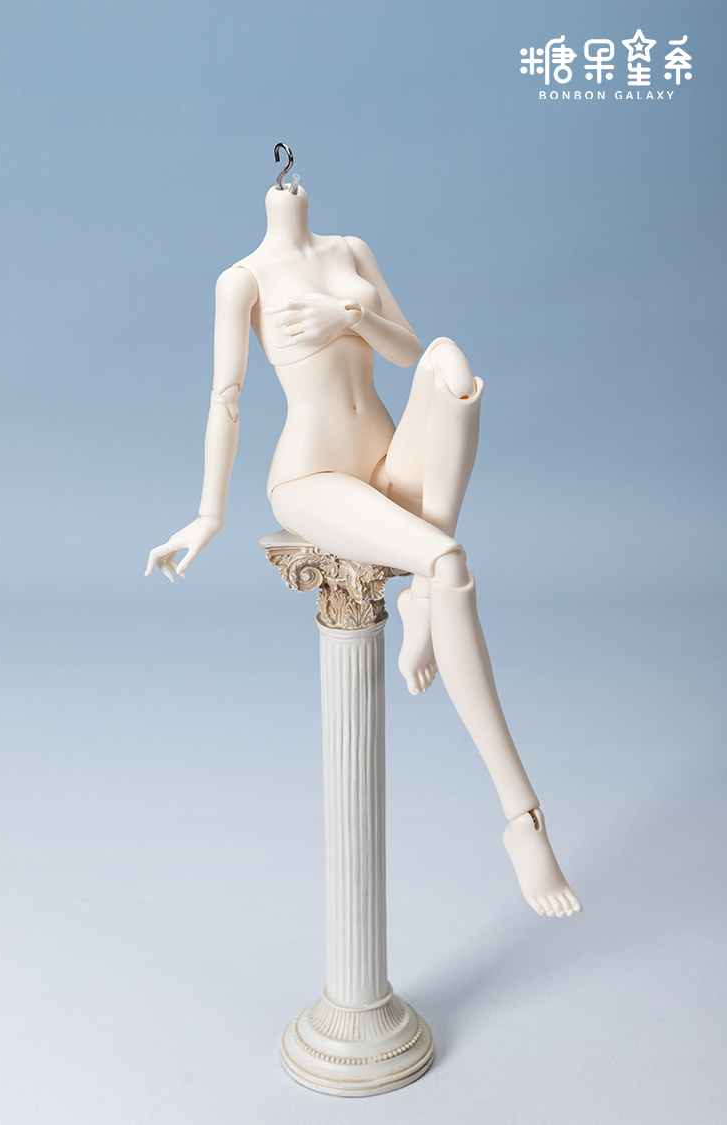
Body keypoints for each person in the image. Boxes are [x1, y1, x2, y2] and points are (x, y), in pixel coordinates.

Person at [146, 181, 581, 918]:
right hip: (312, 476)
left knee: (449, 360)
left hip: (382, 459)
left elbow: (407, 352)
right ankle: (523, 816)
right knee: (447, 557)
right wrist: (207, 514)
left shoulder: (350, 250)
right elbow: (226, 398)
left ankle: (423, 596)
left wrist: (348, 314)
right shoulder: (242, 280)